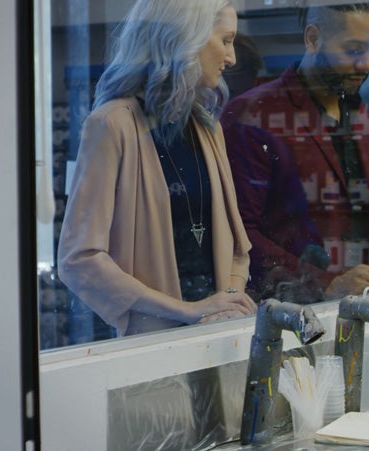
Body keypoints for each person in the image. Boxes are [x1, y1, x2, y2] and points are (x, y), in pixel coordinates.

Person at [58, 0, 257, 337]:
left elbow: (237, 246)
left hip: (218, 339)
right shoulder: (111, 125)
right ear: (186, 38)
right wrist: (187, 310)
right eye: (225, 40)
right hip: (152, 349)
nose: (232, 57)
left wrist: (231, 299)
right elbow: (80, 260)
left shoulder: (208, 128)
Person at [221, 1, 369, 303]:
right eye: (354, 50)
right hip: (284, 310)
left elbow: (366, 205)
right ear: (312, 39)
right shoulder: (252, 114)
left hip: (351, 306)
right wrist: (325, 283)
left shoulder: (357, 112)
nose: (367, 64)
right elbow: (241, 234)